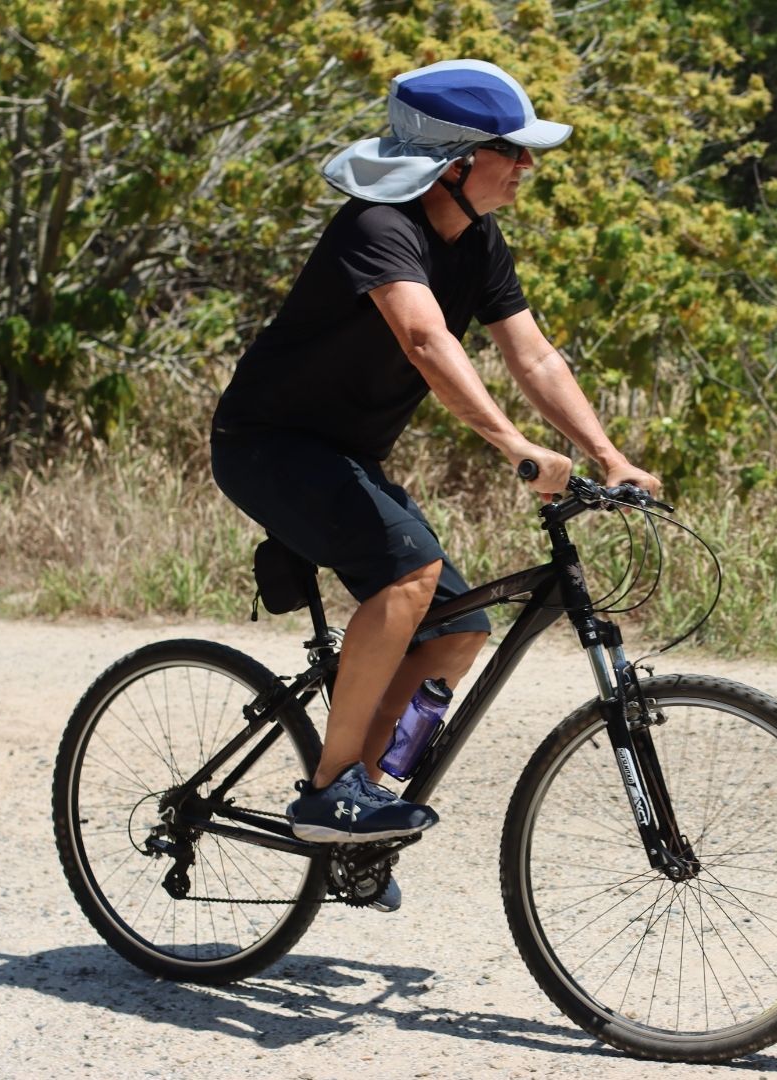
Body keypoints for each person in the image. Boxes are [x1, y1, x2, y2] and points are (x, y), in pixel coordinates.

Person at [210, 59, 660, 911]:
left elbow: (532, 354)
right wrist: (516, 447)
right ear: (455, 160)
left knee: (458, 629)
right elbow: (425, 341)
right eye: (511, 152)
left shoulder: (478, 242)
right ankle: (332, 787)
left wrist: (607, 456)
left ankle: (364, 808)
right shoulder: (377, 226)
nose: (527, 168)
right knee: (409, 575)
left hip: (343, 456)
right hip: (267, 445)